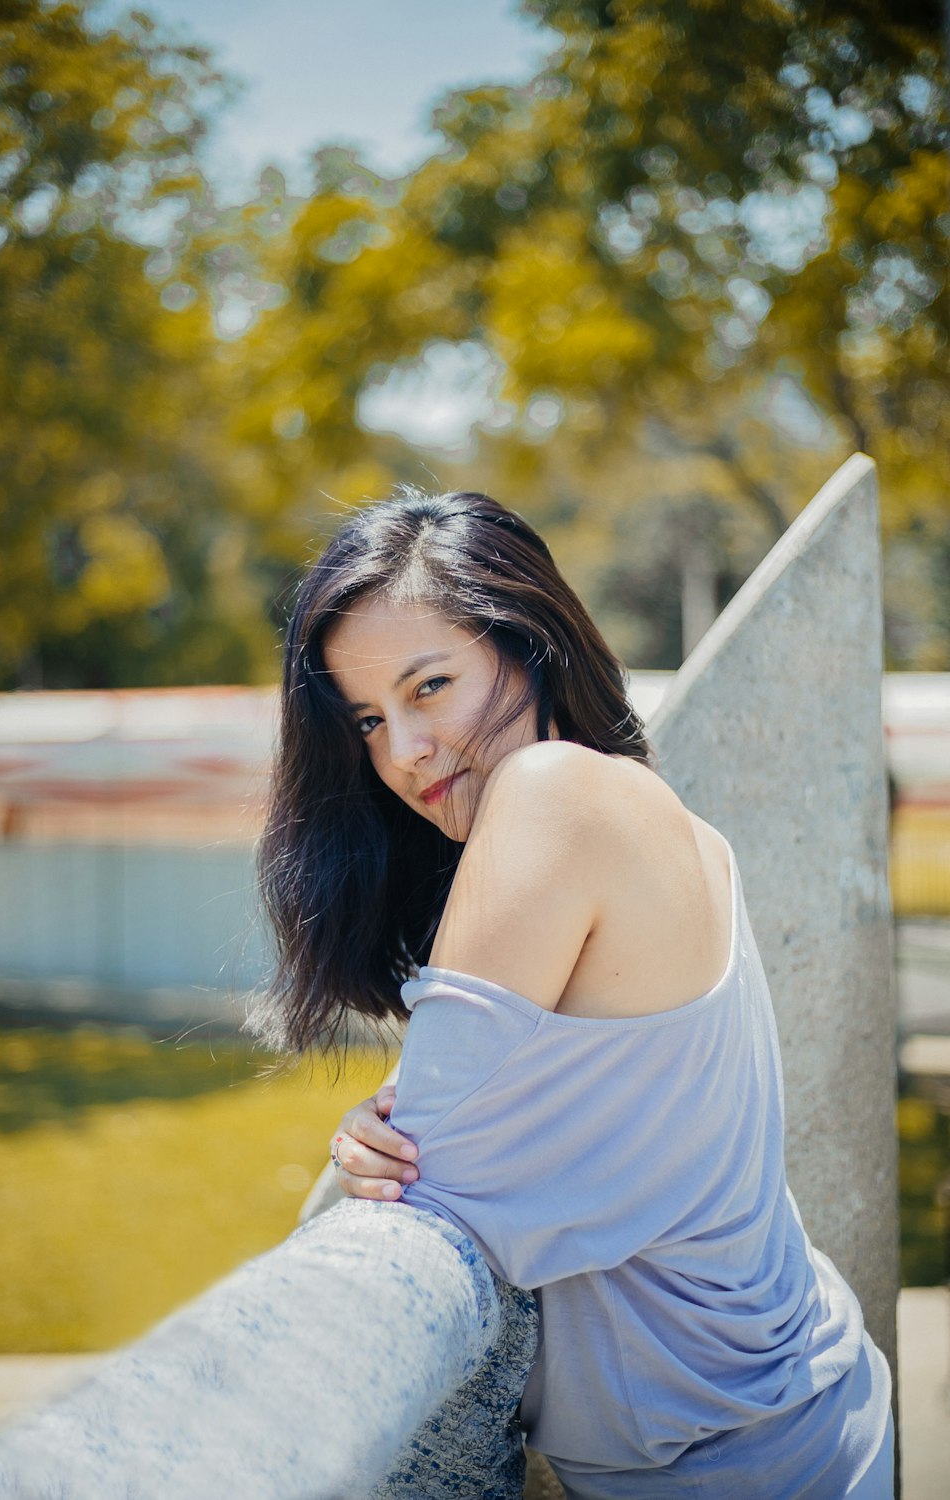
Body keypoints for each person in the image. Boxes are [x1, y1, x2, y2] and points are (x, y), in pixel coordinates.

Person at [256, 488, 894, 1498]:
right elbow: (484, 1150)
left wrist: (391, 1152)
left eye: (430, 686)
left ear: (533, 644)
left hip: (749, 1467)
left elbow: (430, 1189)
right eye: (370, 719)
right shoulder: (652, 819)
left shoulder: (560, 792)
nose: (401, 752)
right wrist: (384, 1132)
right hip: (794, 1418)